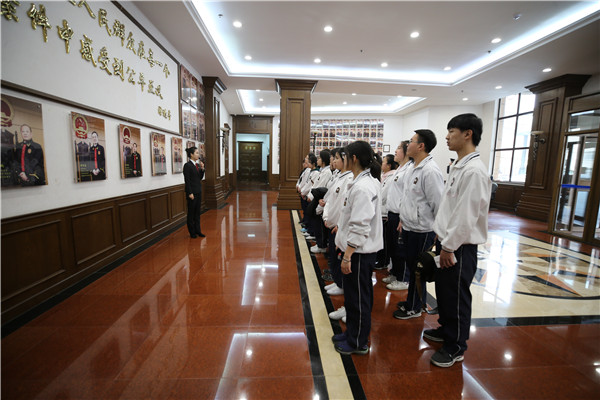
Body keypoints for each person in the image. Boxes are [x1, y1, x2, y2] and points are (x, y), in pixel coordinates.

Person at [425, 113, 492, 367]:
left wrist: (449, 246)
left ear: (467, 134)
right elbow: (449, 208)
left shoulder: (474, 171)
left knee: (456, 296)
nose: (446, 137)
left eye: (451, 131)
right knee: (445, 292)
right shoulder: (459, 165)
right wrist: (440, 236)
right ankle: (446, 330)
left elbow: (466, 215)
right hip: (448, 242)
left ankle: (456, 346)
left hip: (459, 247)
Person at [332, 140, 383, 355]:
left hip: (359, 253)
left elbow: (360, 224)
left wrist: (348, 255)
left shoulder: (363, 187)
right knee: (353, 297)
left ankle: (358, 341)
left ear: (353, 158)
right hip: (355, 251)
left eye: (344, 156)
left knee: (359, 298)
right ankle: (352, 332)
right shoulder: (360, 181)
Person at [394, 130, 444, 319]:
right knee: (411, 265)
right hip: (409, 226)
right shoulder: (413, 167)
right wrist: (402, 219)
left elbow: (438, 203)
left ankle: (414, 307)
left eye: (411, 141)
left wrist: (439, 230)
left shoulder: (430, 171)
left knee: (418, 270)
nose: (408, 144)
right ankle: (411, 301)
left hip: (422, 229)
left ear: (421, 146)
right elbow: (408, 198)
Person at [382, 141, 413, 290]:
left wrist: (402, 217)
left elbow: (407, 195)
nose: (395, 151)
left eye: (399, 148)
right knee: (393, 246)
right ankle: (395, 273)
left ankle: (403, 278)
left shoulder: (409, 169)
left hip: (401, 215)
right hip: (392, 213)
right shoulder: (400, 169)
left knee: (401, 249)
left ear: (406, 151)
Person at [375, 154, 398, 270]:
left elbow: (382, 195)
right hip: (381, 211)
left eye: (383, 162)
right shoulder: (384, 176)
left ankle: (383, 261)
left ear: (389, 165)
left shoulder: (391, 177)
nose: (381, 164)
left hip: (384, 212)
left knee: (385, 240)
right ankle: (380, 259)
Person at [183, 146, 205, 238]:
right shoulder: (187, 166)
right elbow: (187, 181)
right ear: (191, 154)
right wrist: (190, 193)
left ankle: (198, 231)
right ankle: (192, 232)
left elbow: (199, 178)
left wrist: (202, 169)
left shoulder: (197, 165)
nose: (198, 154)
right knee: (191, 213)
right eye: (196, 153)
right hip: (192, 193)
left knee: (197, 213)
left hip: (198, 191)